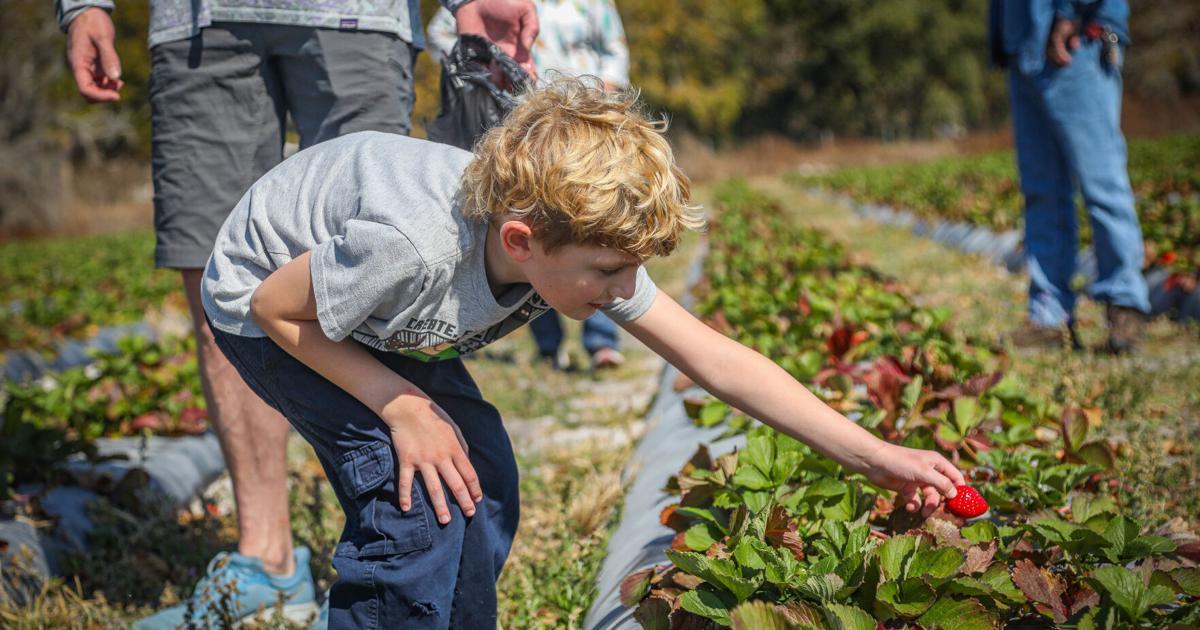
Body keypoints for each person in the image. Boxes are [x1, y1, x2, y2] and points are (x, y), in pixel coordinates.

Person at [199, 78, 966, 628]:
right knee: (416, 500)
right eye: (608, 271)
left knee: (481, 472)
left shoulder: (568, 248)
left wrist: (873, 456)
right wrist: (400, 405)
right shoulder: (414, 244)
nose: (624, 289)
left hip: (367, 312)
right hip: (268, 305)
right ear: (521, 243)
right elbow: (273, 306)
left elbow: (716, 360)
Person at [56, 0, 537, 626]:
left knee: (376, 266)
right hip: (203, 23)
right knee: (226, 271)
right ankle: (268, 557)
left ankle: (411, 568)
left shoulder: (422, 237)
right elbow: (257, 302)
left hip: (358, 17)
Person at [428, 0, 631, 370]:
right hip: (523, 130)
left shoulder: (593, 3)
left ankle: (601, 341)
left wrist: (606, 91)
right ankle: (548, 343)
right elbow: (442, 31)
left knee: (598, 238)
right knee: (537, 235)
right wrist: (485, 67)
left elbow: (614, 49)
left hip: (586, 134)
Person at [989, 0, 1150, 353]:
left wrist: (1068, 12)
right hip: (1025, 46)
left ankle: (1125, 303)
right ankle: (1050, 317)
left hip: (1077, 38)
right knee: (1042, 190)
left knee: (1101, 181)